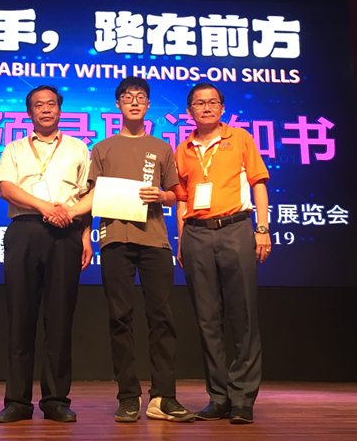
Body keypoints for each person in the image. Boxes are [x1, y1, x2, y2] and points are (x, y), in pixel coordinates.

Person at [62, 76, 194, 424]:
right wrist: (85, 235)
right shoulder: (102, 148)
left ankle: (164, 396)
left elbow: (175, 194)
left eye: (140, 97)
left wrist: (161, 196)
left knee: (161, 318)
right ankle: (128, 396)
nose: (134, 102)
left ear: (148, 105)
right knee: (120, 318)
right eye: (127, 97)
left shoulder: (162, 147)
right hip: (115, 241)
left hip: (155, 241)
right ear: (118, 104)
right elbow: (91, 197)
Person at [0, 85, 92, 423]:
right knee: (20, 318)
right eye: (39, 105)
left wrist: (85, 236)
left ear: (60, 110)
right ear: (29, 112)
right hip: (25, 230)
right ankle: (17, 402)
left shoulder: (78, 148)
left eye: (51, 104)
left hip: (66, 233)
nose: (46, 109)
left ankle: (55, 400)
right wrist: (44, 207)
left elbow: (89, 194)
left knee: (60, 319)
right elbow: (7, 188)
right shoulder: (15, 148)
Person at [174, 82, 271, 424]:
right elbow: (182, 199)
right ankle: (219, 397)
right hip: (196, 234)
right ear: (190, 111)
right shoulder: (182, 149)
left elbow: (258, 183)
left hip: (235, 229)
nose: (206, 107)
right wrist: (181, 240)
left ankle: (243, 398)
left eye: (213, 102)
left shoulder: (240, 138)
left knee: (243, 315)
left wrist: (262, 228)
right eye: (199, 103)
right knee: (207, 319)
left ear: (222, 108)